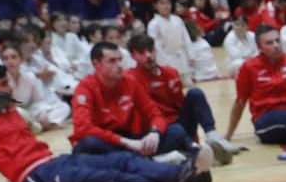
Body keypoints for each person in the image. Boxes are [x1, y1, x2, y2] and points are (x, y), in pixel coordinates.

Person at [0, 64, 210, 182]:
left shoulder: (6, 108)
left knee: (120, 159)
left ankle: (186, 169)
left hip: (52, 162)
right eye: (2, 83)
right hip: (38, 178)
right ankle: (180, 179)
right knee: (111, 179)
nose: (9, 87)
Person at [69, 41, 199, 162]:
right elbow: (84, 128)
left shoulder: (130, 82)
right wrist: (124, 142)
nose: (119, 65)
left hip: (131, 140)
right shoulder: (85, 88)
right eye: (112, 61)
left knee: (176, 130)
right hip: (107, 141)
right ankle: (150, 160)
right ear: (96, 64)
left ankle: (141, 161)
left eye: (120, 60)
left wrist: (155, 132)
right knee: (89, 143)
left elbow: (155, 114)